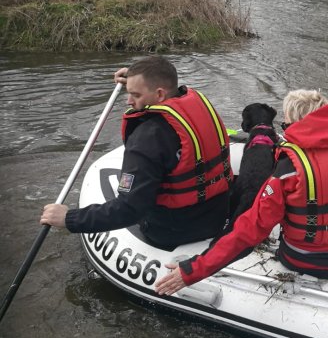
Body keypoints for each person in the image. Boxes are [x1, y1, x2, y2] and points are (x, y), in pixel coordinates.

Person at [155, 89, 328, 295]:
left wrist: (192, 270)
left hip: (299, 260)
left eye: (285, 124)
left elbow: (248, 231)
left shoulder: (286, 169)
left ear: (296, 125)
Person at [40, 56, 232, 249]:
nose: (128, 100)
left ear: (159, 95)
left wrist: (69, 219)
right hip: (216, 214)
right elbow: (158, 78)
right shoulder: (195, 103)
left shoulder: (147, 139)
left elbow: (129, 209)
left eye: (136, 95)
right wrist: (135, 78)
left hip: (173, 231)